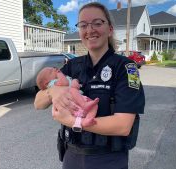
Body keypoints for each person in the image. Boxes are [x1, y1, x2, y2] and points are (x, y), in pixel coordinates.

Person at [34, 2, 145, 169]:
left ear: (110, 29)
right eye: (83, 25)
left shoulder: (126, 68)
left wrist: (72, 121)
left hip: (109, 160)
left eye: (98, 23)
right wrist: (53, 91)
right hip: (71, 157)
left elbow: (123, 125)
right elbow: (38, 103)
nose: (90, 30)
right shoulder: (72, 66)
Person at [36, 67, 99, 131]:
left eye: (53, 68)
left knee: (94, 106)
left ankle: (87, 119)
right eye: (50, 72)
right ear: (46, 83)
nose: (54, 69)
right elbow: (65, 82)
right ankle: (84, 109)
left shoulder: (60, 78)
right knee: (76, 92)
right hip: (74, 103)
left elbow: (71, 83)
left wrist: (75, 81)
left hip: (76, 104)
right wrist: (59, 73)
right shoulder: (52, 83)